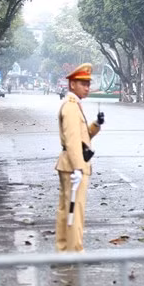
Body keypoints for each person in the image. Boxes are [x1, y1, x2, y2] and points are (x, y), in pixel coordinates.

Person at [55, 63, 104, 252]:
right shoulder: (70, 107)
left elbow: (83, 136)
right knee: (74, 212)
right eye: (83, 84)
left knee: (66, 211)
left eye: (88, 84)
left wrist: (96, 125)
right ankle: (74, 252)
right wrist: (78, 167)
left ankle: (63, 251)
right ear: (72, 84)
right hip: (74, 165)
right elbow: (73, 140)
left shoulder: (74, 105)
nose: (87, 88)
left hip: (70, 164)